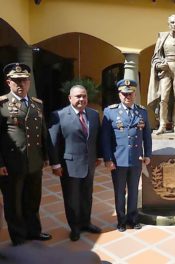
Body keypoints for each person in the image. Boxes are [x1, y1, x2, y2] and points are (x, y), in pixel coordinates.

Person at [0, 63, 52, 246]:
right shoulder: (2, 104)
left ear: (29, 82)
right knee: (13, 202)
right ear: (9, 82)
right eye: (16, 81)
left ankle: (34, 231)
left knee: (32, 199)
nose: (20, 84)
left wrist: (46, 156)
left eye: (24, 80)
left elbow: (42, 132)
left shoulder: (37, 104)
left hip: (34, 161)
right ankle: (19, 237)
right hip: (11, 163)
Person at [48, 85, 102, 242]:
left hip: (89, 164)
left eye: (84, 96)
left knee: (87, 196)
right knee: (72, 198)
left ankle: (86, 223)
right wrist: (55, 164)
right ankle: (75, 227)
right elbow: (53, 141)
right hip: (69, 165)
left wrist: (98, 155)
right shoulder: (59, 115)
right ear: (70, 98)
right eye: (78, 96)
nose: (82, 99)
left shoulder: (93, 114)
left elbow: (96, 137)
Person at [102, 79, 152, 232]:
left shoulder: (142, 112)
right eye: (124, 94)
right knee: (119, 191)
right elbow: (105, 138)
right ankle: (121, 220)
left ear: (134, 94)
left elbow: (147, 136)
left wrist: (147, 154)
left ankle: (133, 218)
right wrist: (108, 159)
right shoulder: (110, 112)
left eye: (130, 94)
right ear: (119, 94)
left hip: (136, 158)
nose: (127, 96)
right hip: (118, 160)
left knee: (133, 190)